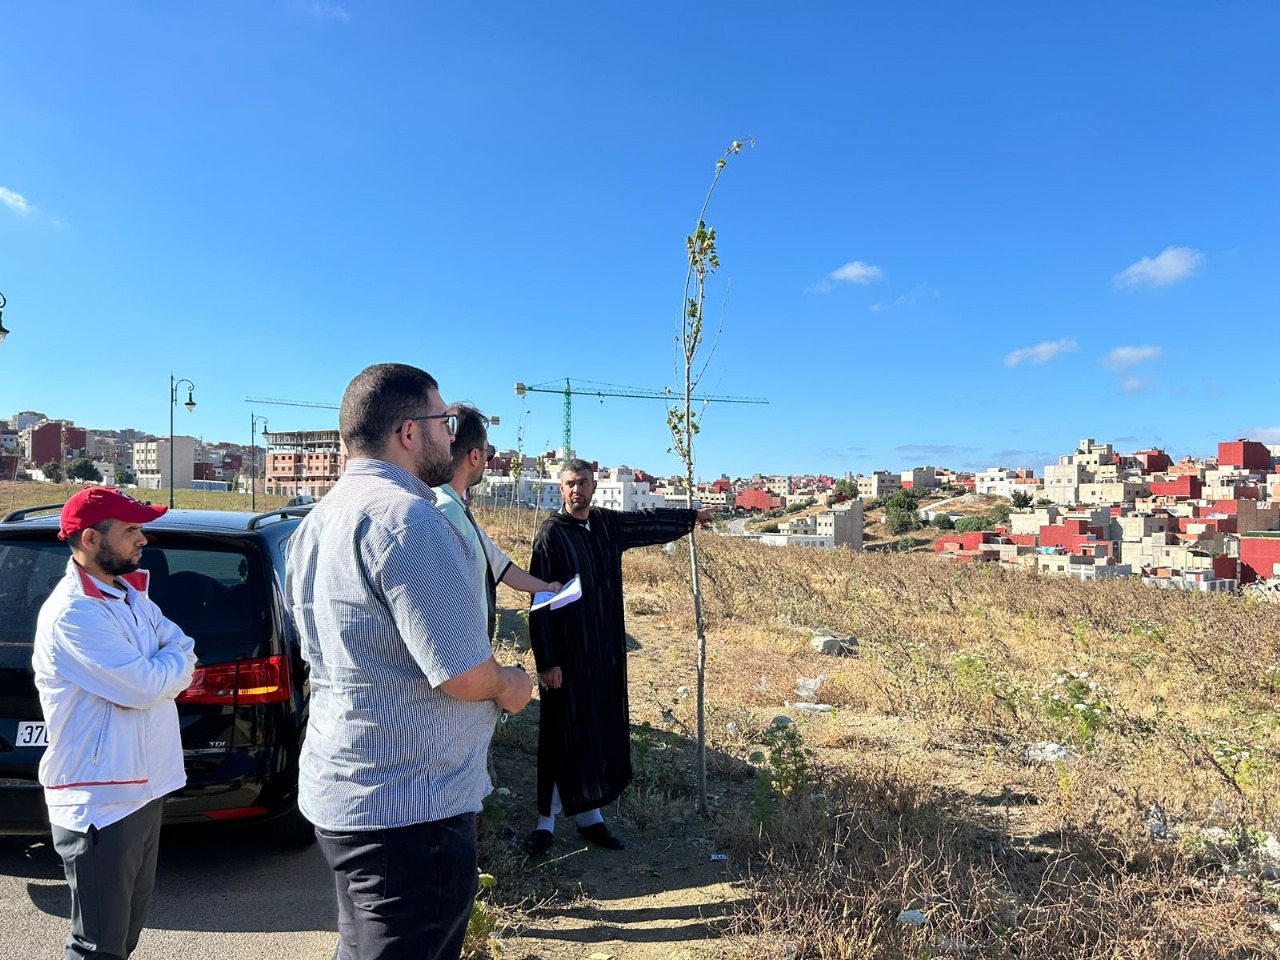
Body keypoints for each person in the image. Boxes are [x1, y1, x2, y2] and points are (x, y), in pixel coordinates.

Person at [285, 363, 533, 960]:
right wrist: (509, 684)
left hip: (347, 792)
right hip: (409, 809)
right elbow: (462, 672)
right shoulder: (408, 518)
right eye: (444, 422)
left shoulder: (315, 522)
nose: (452, 435)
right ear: (408, 432)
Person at [33, 487, 198, 960]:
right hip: (100, 800)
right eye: (131, 530)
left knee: (122, 937)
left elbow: (182, 645)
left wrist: (165, 668)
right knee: (97, 946)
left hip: (144, 787)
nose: (142, 539)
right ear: (90, 539)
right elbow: (144, 686)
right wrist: (166, 671)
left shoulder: (128, 594)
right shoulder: (74, 613)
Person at [523, 458, 712, 855]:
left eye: (583, 482)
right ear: (561, 489)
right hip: (567, 657)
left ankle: (590, 815)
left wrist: (690, 517)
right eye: (570, 483)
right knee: (560, 733)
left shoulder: (606, 525)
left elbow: (646, 523)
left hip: (603, 652)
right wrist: (547, 662)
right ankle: (545, 822)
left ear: (594, 486)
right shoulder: (551, 536)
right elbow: (540, 601)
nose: (577, 490)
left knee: (597, 728)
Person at [432, 402, 561, 636]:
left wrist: (546, 587)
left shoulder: (455, 508)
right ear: (475, 456)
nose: (487, 461)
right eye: (488, 452)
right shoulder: (447, 511)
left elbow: (498, 564)